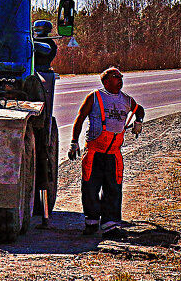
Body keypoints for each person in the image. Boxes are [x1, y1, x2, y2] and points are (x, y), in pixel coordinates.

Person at [68, 67, 145, 236]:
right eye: (115, 76)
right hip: (94, 152)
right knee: (90, 187)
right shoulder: (94, 97)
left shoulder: (126, 99)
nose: (120, 79)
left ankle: (109, 225)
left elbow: (139, 109)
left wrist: (139, 121)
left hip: (114, 154)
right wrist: (74, 142)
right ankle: (91, 222)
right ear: (105, 81)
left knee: (113, 189)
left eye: (121, 76)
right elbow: (80, 118)